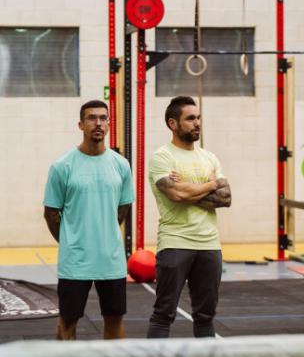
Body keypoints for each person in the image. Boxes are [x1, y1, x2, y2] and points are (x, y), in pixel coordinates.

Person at [43, 100, 134, 340]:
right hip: (75, 260)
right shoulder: (62, 166)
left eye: (103, 118)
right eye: (92, 118)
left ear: (108, 123)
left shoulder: (121, 165)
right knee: (68, 322)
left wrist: (105, 233)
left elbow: (122, 207)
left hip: (111, 259)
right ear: (80, 124)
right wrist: (70, 241)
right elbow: (51, 213)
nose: (98, 123)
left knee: (115, 321)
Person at [147, 96, 231, 338]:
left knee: (205, 317)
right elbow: (175, 193)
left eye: (198, 118)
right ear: (173, 123)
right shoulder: (162, 157)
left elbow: (225, 198)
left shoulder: (209, 157)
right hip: (175, 242)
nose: (197, 123)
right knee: (164, 314)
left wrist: (189, 188)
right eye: (190, 118)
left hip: (209, 244)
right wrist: (210, 184)